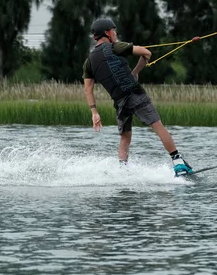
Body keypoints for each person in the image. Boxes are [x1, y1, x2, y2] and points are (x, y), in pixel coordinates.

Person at [82, 17, 193, 176]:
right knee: (158, 126)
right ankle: (178, 163)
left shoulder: (89, 61)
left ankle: (122, 170)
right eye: (114, 30)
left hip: (119, 103)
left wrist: (94, 112)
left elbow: (88, 89)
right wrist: (135, 72)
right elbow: (147, 53)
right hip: (135, 95)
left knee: (125, 137)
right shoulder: (115, 47)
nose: (115, 33)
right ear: (107, 33)